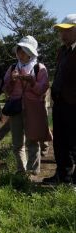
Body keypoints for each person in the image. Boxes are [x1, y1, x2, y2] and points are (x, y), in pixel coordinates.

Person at [3, 36, 52, 176]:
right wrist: (12, 81)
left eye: (24, 51)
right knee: (17, 142)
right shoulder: (13, 67)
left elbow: (43, 89)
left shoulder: (39, 68)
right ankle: (21, 170)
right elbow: (6, 89)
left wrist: (32, 82)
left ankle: (33, 171)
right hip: (16, 107)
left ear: (31, 52)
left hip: (33, 109)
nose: (21, 54)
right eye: (20, 50)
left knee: (32, 140)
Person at [43, 14, 76, 184]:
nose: (62, 35)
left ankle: (74, 179)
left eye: (67, 31)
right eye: (61, 32)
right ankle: (62, 175)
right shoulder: (62, 51)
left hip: (74, 105)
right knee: (60, 142)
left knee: (74, 142)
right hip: (60, 102)